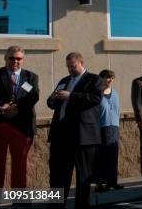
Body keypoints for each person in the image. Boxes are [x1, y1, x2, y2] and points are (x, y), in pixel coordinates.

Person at [47, 52, 104, 208]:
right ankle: (56, 205)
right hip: (61, 135)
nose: (70, 70)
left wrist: (71, 96)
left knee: (83, 175)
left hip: (83, 136)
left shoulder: (94, 79)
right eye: (68, 67)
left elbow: (95, 99)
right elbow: (51, 102)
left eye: (73, 66)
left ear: (81, 62)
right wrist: (53, 98)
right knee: (58, 174)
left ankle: (81, 205)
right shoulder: (64, 81)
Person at [0, 46, 39, 201]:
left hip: (22, 127)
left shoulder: (30, 77)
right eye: (12, 58)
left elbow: (33, 96)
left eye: (18, 58)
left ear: (23, 60)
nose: (15, 61)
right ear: (5, 58)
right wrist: (0, 107)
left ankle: (19, 198)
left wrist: (17, 107)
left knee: (20, 163)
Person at [95, 69, 123, 191]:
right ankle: (100, 183)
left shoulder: (115, 93)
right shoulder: (96, 93)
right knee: (101, 157)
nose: (110, 80)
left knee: (113, 156)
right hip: (101, 128)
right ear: (101, 79)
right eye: (107, 77)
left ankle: (112, 182)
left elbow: (117, 111)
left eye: (112, 77)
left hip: (114, 128)